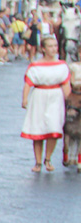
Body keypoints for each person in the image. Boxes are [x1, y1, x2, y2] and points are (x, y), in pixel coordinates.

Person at [20, 35, 72, 172]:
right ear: (43, 49)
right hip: (39, 96)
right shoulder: (36, 65)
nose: (54, 49)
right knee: (38, 128)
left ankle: (48, 158)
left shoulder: (62, 65)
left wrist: (70, 102)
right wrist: (25, 99)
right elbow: (28, 83)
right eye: (50, 46)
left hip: (56, 97)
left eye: (55, 46)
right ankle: (38, 162)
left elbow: (65, 85)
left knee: (54, 127)